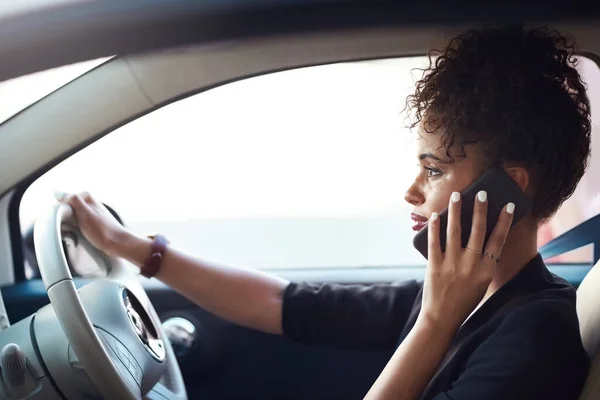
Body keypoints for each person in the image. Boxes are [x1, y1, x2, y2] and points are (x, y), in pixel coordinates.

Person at [55, 26, 591, 399]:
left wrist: (435, 322)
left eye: (431, 170)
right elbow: (281, 303)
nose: (409, 192)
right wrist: (135, 249)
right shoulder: (464, 301)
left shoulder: (533, 336)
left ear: (508, 187)